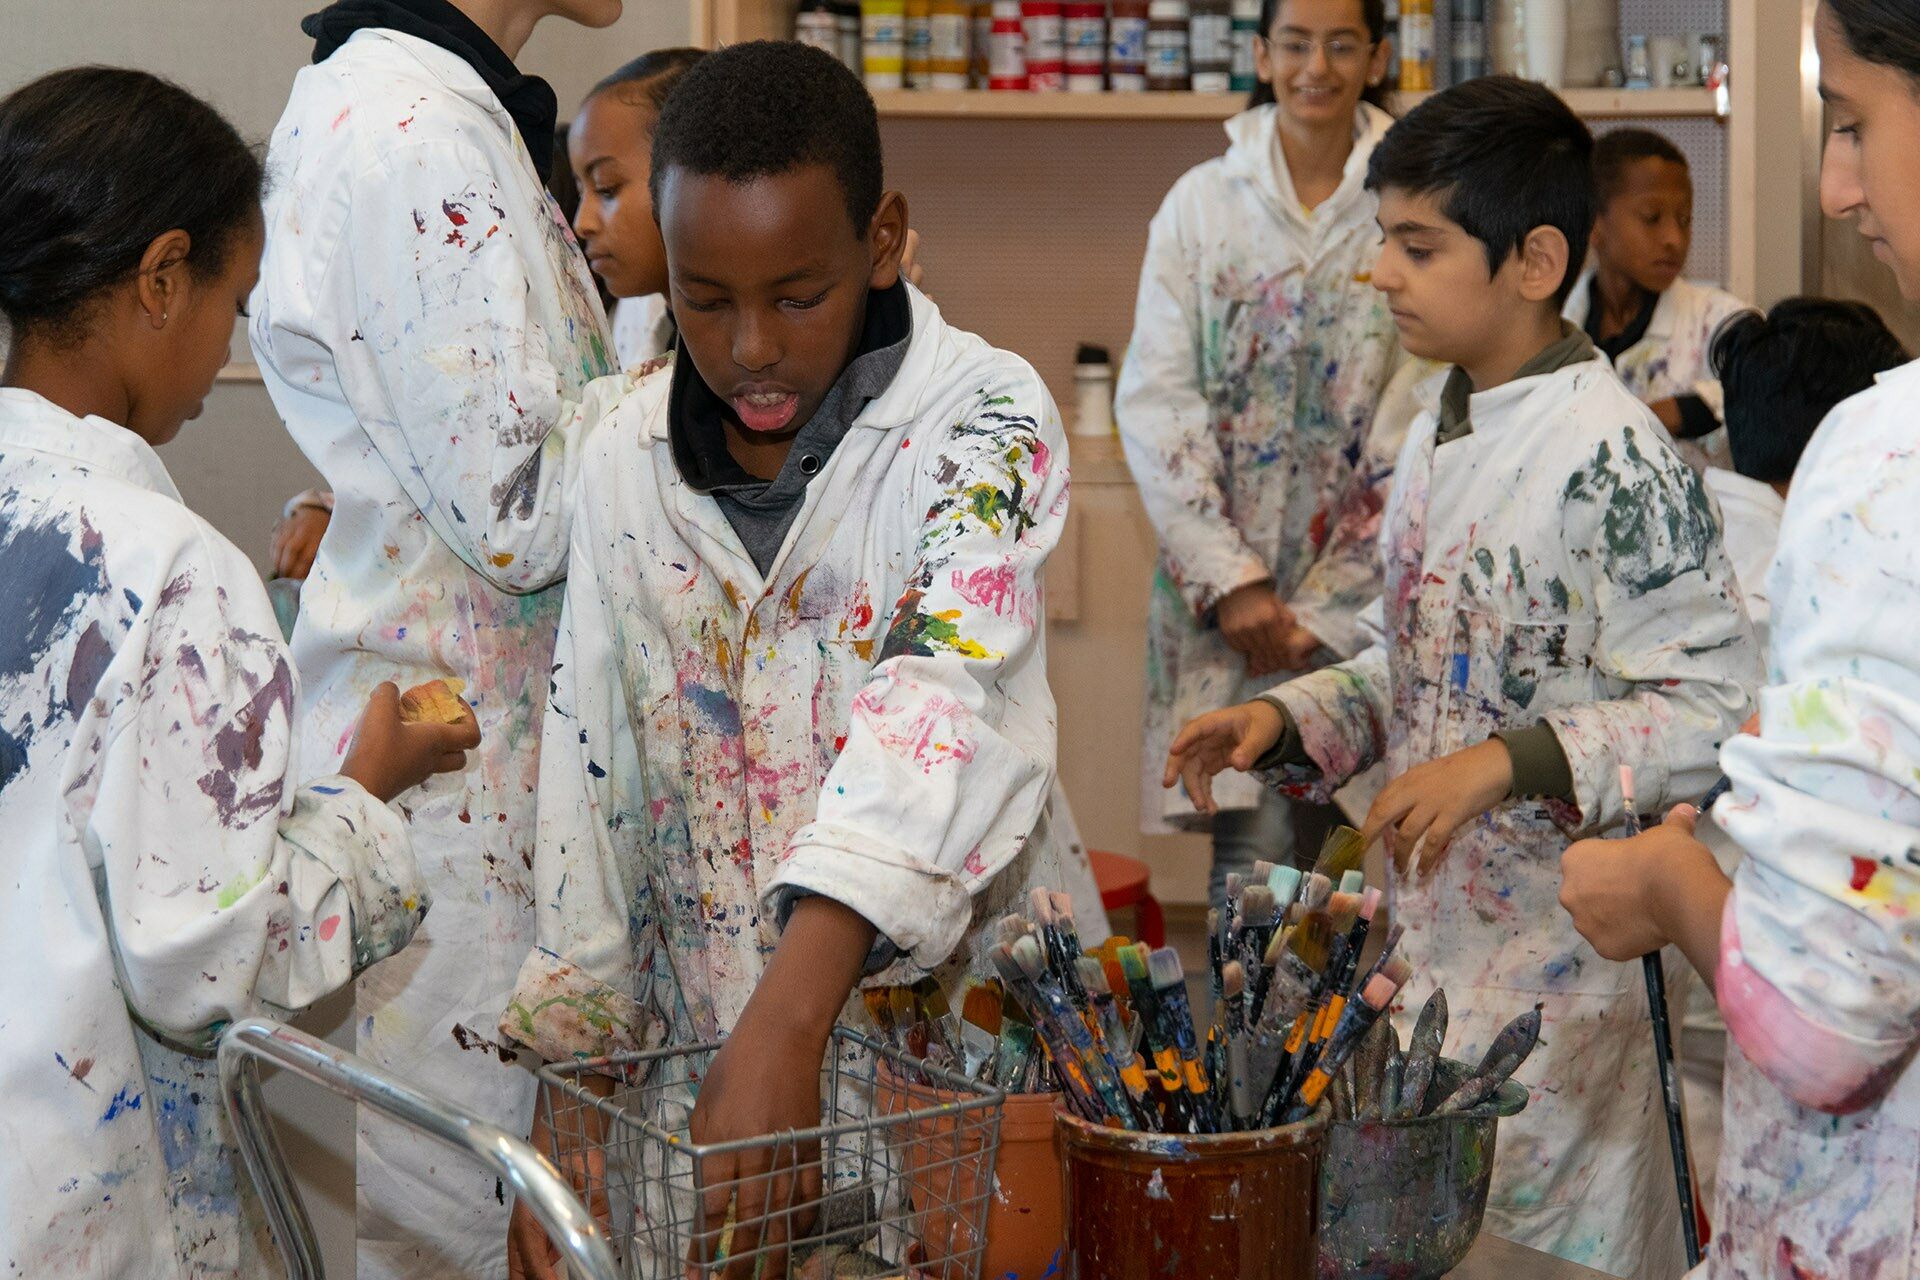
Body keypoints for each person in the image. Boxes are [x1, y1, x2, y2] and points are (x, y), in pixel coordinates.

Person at [1164, 76, 1759, 1278]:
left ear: (1535, 259)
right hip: (1431, 958)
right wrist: (1286, 714)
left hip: (1571, 980)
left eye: (1416, 245)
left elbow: (1712, 705)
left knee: (1541, 1244)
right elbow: (1429, 657)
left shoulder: (1615, 456)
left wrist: (1508, 763)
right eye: (1384, 239)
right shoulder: (1441, 427)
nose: (1381, 272)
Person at [496, 41, 1072, 1279]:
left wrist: (789, 1019)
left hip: (945, 1069)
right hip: (709, 1075)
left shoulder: (984, 421)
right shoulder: (618, 452)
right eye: (706, 298)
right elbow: (588, 787)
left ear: (882, 240)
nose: (751, 345)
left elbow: (944, 698)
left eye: (797, 296)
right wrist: (573, 1081)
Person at [0, 67, 476, 1279]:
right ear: (163, 276)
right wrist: (365, 796)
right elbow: (207, 961)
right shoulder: (160, 566)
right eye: (236, 299)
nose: (231, 349)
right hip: (80, 1204)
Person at [247, 0, 631, 1273]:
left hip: (455, 738)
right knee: (456, 1227)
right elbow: (519, 511)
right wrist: (698, 372)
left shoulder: (422, 102)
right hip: (454, 777)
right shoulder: (419, 133)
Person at [1559, 4, 1920, 1273]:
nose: (1836, 181)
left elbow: (1825, 1025)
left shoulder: (1886, 466)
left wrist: (1666, 884)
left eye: (1856, 117)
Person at [1116, 0, 1406, 907]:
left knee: (1372, 881)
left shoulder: (1408, 200)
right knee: (1257, 883)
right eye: (1294, 41)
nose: (1315, 65)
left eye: (1341, 43)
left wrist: (1322, 611)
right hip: (1226, 616)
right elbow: (1159, 397)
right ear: (1259, 53)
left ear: (1377, 56)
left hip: (1359, 608)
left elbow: (1421, 410)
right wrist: (1234, 581)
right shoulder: (1202, 204)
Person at [1562, 128, 1748, 473]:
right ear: (1593, 224)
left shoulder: (1724, 323)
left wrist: (1678, 412)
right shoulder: (1554, 326)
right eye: (1651, 218)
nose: (1674, 239)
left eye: (1685, 220)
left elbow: (1769, 398)